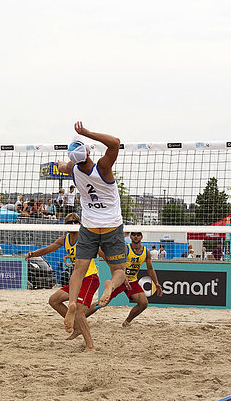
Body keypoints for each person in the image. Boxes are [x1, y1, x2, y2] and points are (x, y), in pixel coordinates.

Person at [58, 122, 127, 334]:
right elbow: (115, 142)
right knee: (119, 272)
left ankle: (72, 303)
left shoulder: (73, 169)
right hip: (111, 225)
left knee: (78, 270)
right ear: (88, 153)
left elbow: (62, 166)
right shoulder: (103, 167)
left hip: (89, 225)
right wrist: (86, 133)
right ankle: (110, 286)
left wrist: (62, 162)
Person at [25, 213, 99, 352]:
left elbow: (102, 252)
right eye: (69, 222)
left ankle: (90, 346)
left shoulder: (86, 238)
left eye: (75, 222)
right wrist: (33, 254)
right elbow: (48, 249)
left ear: (79, 224)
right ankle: (77, 326)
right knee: (54, 300)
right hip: (77, 280)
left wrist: (118, 270)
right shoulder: (64, 239)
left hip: (90, 278)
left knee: (80, 312)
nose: (72, 224)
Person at [88, 232, 163, 327]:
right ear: (130, 236)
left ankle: (127, 322)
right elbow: (115, 263)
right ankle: (80, 318)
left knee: (143, 303)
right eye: (134, 234)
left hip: (132, 282)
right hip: (120, 280)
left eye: (138, 235)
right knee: (102, 303)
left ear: (142, 237)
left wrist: (156, 283)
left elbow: (150, 269)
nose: (136, 236)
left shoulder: (146, 252)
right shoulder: (125, 249)